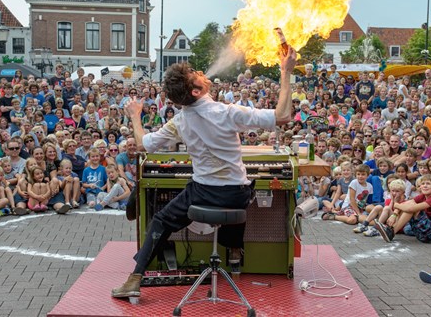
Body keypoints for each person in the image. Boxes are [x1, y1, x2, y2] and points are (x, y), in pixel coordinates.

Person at [110, 47, 296, 298]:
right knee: (240, 194)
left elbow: (143, 144)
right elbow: (283, 115)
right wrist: (286, 72)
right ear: (196, 91)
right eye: (195, 74)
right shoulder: (227, 112)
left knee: (161, 220)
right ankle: (233, 251)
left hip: (202, 193)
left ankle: (135, 279)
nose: (200, 73)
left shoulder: (179, 120)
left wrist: (135, 116)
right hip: (236, 194)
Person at [375, 174, 431, 243]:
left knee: (411, 208)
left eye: (428, 183)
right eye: (423, 184)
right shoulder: (422, 196)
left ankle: (392, 232)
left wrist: (396, 204)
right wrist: (394, 214)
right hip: (424, 232)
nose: (425, 186)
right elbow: (406, 204)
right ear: (420, 186)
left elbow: (410, 209)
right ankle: (391, 229)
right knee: (409, 205)